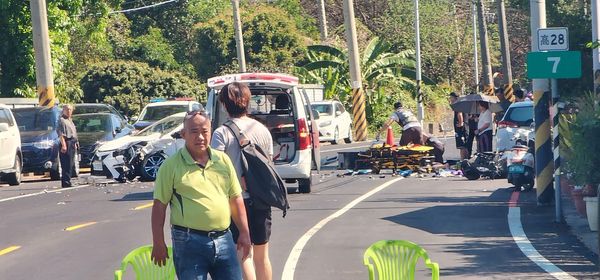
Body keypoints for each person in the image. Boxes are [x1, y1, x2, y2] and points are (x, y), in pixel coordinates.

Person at [151, 110, 252, 280]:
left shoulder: (223, 160)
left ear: (211, 132)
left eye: (205, 131)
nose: (200, 137)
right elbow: (159, 207)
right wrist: (158, 242)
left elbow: (235, 198)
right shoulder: (170, 166)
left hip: (224, 239)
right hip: (189, 243)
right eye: (194, 132)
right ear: (184, 134)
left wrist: (244, 232)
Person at [211, 82, 275, 280]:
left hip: (236, 202)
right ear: (247, 102)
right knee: (263, 257)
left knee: (244, 254)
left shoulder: (221, 134)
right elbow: (269, 163)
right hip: (262, 199)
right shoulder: (262, 130)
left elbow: (215, 170)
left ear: (224, 104)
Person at [57, 104, 78, 188]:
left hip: (72, 142)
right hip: (66, 142)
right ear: (63, 110)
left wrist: (76, 143)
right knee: (66, 164)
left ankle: (68, 180)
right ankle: (66, 182)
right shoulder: (62, 120)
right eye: (67, 109)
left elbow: (74, 133)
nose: (69, 111)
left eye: (70, 109)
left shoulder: (70, 120)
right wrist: (64, 145)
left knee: (70, 163)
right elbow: (60, 134)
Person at [449, 92, 468, 159]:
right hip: (464, 127)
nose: (450, 99)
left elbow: (459, 114)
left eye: (451, 97)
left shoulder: (457, 104)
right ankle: (465, 158)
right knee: (464, 144)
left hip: (460, 128)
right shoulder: (461, 103)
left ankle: (463, 159)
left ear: (455, 98)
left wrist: (460, 123)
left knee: (461, 145)